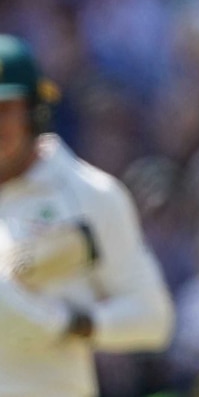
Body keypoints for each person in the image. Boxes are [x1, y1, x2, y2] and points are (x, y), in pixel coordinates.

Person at [0, 34, 175, 396]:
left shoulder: (89, 195)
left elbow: (153, 318)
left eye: (4, 109)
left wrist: (70, 323)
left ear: (35, 110)